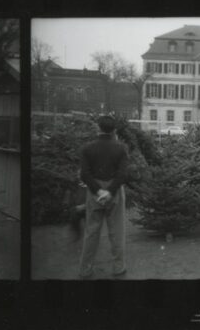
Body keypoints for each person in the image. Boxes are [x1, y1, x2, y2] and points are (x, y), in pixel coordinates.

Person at [78, 115, 130, 278]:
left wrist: (98, 191)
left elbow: (85, 174)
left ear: (98, 128)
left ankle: (85, 269)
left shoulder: (87, 148)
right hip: (114, 192)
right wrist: (110, 191)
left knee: (91, 232)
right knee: (117, 232)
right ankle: (118, 267)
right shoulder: (121, 148)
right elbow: (122, 174)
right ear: (114, 130)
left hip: (94, 191)